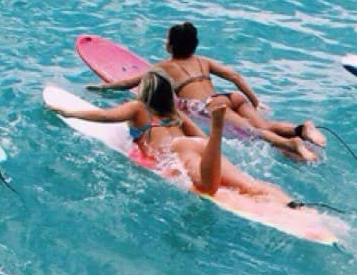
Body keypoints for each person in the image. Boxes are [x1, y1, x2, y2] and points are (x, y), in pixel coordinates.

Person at [90, 21, 324, 160]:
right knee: (263, 125)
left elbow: (128, 82)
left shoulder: (164, 67)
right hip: (230, 97)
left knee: (254, 132)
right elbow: (234, 76)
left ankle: (292, 144)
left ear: (170, 46)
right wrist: (255, 101)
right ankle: (301, 129)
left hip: (209, 106)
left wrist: (100, 88)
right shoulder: (202, 60)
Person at [56, 77, 298, 208]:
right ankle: (291, 204)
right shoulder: (174, 113)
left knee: (206, 186)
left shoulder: (139, 108)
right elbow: (198, 139)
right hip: (197, 145)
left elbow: (104, 116)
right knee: (249, 183)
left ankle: (217, 128)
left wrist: (68, 112)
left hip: (179, 150)